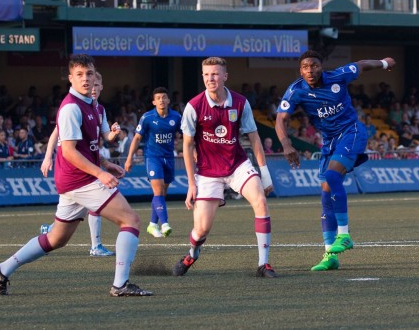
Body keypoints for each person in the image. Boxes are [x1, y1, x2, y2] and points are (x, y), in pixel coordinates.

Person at [0, 54, 152, 297]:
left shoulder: (92, 105)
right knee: (131, 221)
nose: (86, 79)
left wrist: (105, 163)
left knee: (55, 238)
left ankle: (2, 269)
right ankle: (120, 285)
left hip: (73, 180)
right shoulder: (71, 108)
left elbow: (90, 146)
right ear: (70, 78)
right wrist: (100, 173)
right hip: (80, 179)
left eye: (89, 74)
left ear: (96, 77)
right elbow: (71, 153)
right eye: (80, 75)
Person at [275, 50, 396, 272]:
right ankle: (330, 254)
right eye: (305, 67)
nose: (310, 70)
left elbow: (361, 63)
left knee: (331, 175)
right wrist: (286, 144)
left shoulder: (338, 76)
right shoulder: (295, 91)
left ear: (321, 67)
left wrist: (382, 62)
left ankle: (344, 234)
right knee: (325, 192)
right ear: (300, 71)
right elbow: (280, 120)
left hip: (351, 131)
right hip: (329, 141)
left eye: (314, 65)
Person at [172, 57, 277, 278]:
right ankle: (192, 253)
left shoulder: (240, 103)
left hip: (237, 165)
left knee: (260, 201)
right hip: (207, 172)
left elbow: (254, 138)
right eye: (207, 74)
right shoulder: (193, 106)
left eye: (215, 74)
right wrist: (191, 184)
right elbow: (187, 145)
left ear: (225, 76)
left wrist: (264, 173)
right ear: (203, 77)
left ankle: (263, 264)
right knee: (201, 230)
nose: (211, 78)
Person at [40, 71, 122, 257]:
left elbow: (106, 136)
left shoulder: (99, 109)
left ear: (100, 87)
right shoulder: (74, 106)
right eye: (90, 85)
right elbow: (56, 133)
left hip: (87, 162)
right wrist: (47, 156)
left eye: (96, 85)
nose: (92, 89)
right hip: (72, 163)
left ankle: (51, 229)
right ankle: (96, 246)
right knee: (110, 211)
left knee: (78, 209)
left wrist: (113, 132)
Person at [124, 87, 182, 238]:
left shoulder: (176, 117)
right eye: (158, 98)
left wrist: (193, 151)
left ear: (168, 100)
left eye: (164, 97)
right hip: (152, 157)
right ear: (154, 101)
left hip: (169, 158)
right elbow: (137, 138)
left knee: (162, 193)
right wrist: (130, 158)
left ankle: (151, 224)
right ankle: (165, 224)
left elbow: (185, 136)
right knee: (158, 191)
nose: (161, 100)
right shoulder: (147, 117)